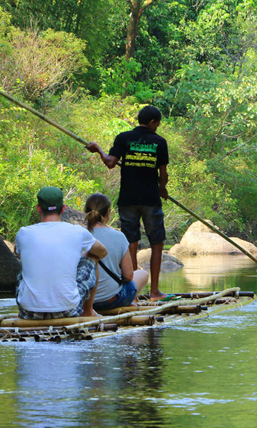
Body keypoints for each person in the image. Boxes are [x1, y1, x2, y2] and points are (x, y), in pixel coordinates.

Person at [86, 105, 169, 301]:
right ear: (152, 122)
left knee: (131, 243)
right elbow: (163, 175)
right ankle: (155, 292)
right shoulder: (159, 142)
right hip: (150, 200)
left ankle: (133, 289)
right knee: (157, 243)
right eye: (157, 124)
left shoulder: (124, 138)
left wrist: (97, 148)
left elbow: (110, 162)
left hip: (128, 199)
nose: (157, 127)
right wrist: (162, 189)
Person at [15, 187, 108, 319]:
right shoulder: (78, 231)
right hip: (67, 311)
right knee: (91, 258)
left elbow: (18, 254)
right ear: (63, 208)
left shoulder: (23, 233)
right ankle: (88, 311)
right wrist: (78, 256)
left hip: (28, 313)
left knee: (24, 269)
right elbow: (102, 252)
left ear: (38, 208)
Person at [84, 193, 149, 311]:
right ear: (108, 212)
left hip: (82, 301)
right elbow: (129, 276)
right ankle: (127, 302)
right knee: (143, 274)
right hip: (111, 300)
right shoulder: (119, 236)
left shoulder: (78, 235)